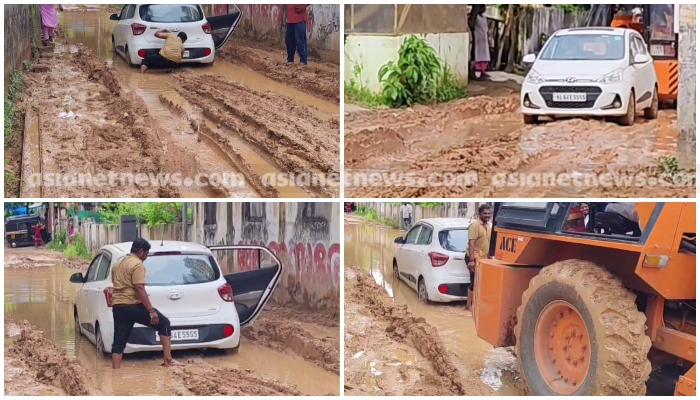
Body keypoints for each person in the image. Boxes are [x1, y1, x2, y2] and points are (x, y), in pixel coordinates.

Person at [111, 238, 174, 369]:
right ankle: (168, 361)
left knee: (118, 342)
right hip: (132, 305)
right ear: (141, 251)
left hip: (118, 307)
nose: (146, 257)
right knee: (164, 323)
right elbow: (139, 287)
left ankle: (115, 373)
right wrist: (151, 311)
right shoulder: (137, 264)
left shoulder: (118, 264)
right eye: (146, 253)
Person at [466, 204, 492, 309]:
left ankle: (477, 306)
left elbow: (488, 243)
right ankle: (468, 306)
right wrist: (472, 260)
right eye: (485, 213)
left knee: (482, 282)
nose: (487, 215)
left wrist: (490, 257)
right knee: (474, 282)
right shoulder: (475, 226)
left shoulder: (488, 226)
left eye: (489, 213)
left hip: (483, 259)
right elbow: (471, 243)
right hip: (474, 258)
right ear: (479, 214)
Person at [473, 5, 491, 80]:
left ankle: (483, 71)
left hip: (484, 39)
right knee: (478, 55)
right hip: (478, 38)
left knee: (484, 55)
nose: (484, 9)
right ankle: (478, 70)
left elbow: (486, 29)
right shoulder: (475, 17)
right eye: (482, 7)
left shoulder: (484, 18)